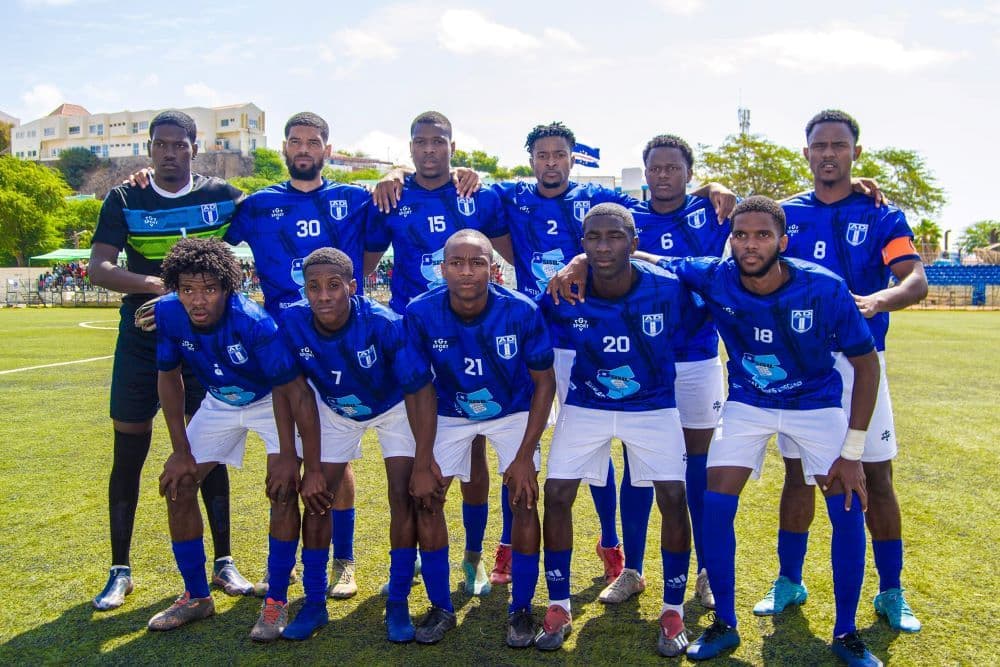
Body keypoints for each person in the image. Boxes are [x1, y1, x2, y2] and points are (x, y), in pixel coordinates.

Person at [654, 196, 882, 666]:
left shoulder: (823, 286)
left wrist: (853, 450)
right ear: (730, 240)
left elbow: (865, 365)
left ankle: (846, 632)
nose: (750, 244)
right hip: (749, 403)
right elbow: (652, 258)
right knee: (716, 499)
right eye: (740, 235)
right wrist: (577, 262)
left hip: (815, 404)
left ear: (783, 239)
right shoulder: (715, 275)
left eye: (762, 235)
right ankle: (725, 624)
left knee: (846, 505)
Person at [755, 110, 926, 634]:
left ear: (856, 151)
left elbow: (915, 278)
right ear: (805, 153)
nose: (829, 153)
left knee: (876, 474)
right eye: (819, 145)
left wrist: (881, 298)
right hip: (800, 367)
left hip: (860, 364)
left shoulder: (882, 215)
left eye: (839, 145)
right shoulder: (785, 216)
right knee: (798, 476)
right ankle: (789, 580)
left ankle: (891, 591)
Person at [88, 110, 250, 610]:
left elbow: (270, 217)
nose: (170, 153)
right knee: (129, 451)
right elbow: (99, 267)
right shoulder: (125, 196)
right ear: (149, 149)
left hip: (204, 344)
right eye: (161, 144)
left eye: (180, 145)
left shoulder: (221, 197)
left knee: (208, 446)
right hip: (142, 338)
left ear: (194, 149)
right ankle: (120, 569)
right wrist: (161, 288)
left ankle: (223, 562)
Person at [223, 112, 373, 598]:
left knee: (336, 454)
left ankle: (343, 561)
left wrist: (394, 176)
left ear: (328, 150)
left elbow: (394, 220)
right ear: (284, 149)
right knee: (282, 456)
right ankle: (284, 561)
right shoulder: (257, 205)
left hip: (341, 341)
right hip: (283, 344)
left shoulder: (354, 199)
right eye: (295, 141)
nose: (304, 148)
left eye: (313, 141)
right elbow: (210, 250)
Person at [534, 203, 695, 656]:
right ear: (581, 244)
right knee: (558, 493)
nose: (603, 246)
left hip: (653, 406)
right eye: (593, 238)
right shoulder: (567, 289)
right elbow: (531, 326)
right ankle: (560, 604)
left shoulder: (668, 289)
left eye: (614, 237)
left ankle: (672, 609)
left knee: (673, 496)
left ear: (634, 242)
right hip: (587, 403)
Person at [365, 111, 515, 596]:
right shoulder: (392, 196)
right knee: (416, 456)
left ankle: (473, 555)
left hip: (476, 336)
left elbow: (515, 255)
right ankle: (406, 559)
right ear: (409, 149)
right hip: (416, 337)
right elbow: (364, 267)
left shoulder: (479, 193)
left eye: (439, 141)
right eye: (421, 142)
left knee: (474, 450)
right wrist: (392, 176)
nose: (430, 149)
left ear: (453, 145)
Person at [146, 238, 319, 643]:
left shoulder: (255, 322)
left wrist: (288, 455)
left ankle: (276, 599)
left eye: (208, 289)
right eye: (187, 289)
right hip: (220, 402)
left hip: (268, 401)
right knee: (179, 484)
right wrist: (180, 450)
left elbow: (291, 392)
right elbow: (168, 377)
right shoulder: (169, 314)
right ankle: (196, 596)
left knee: (282, 490)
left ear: (227, 287)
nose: (197, 300)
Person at [401, 229, 555, 645]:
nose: (466, 271)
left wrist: (524, 456)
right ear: (442, 268)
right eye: (457, 263)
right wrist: (421, 458)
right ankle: (440, 607)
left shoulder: (521, 311)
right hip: (451, 410)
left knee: (524, 498)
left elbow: (544, 384)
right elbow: (418, 389)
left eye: (477, 262)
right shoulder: (420, 312)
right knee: (428, 498)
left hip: (512, 410)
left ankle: (521, 608)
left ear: (494, 268)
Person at [275, 247, 427, 642]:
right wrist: (301, 459)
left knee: (402, 495)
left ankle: (397, 602)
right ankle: (313, 603)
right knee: (318, 494)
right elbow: (291, 391)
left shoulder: (383, 323)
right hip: (336, 410)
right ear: (304, 289)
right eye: (314, 287)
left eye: (333, 286)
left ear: (352, 287)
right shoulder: (292, 321)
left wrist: (425, 457)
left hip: (393, 407)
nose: (323, 295)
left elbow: (418, 389)